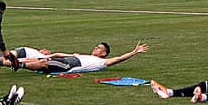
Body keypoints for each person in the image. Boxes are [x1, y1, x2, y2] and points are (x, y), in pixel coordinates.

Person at [16, 42, 149, 74]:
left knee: (43, 63)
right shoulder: (87, 55)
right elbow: (65, 55)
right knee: (36, 60)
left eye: (99, 48)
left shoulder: (102, 62)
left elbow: (119, 58)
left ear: (104, 53)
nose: (95, 48)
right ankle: (8, 62)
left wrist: (134, 52)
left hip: (70, 65)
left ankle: (19, 65)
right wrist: (55, 54)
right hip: (68, 60)